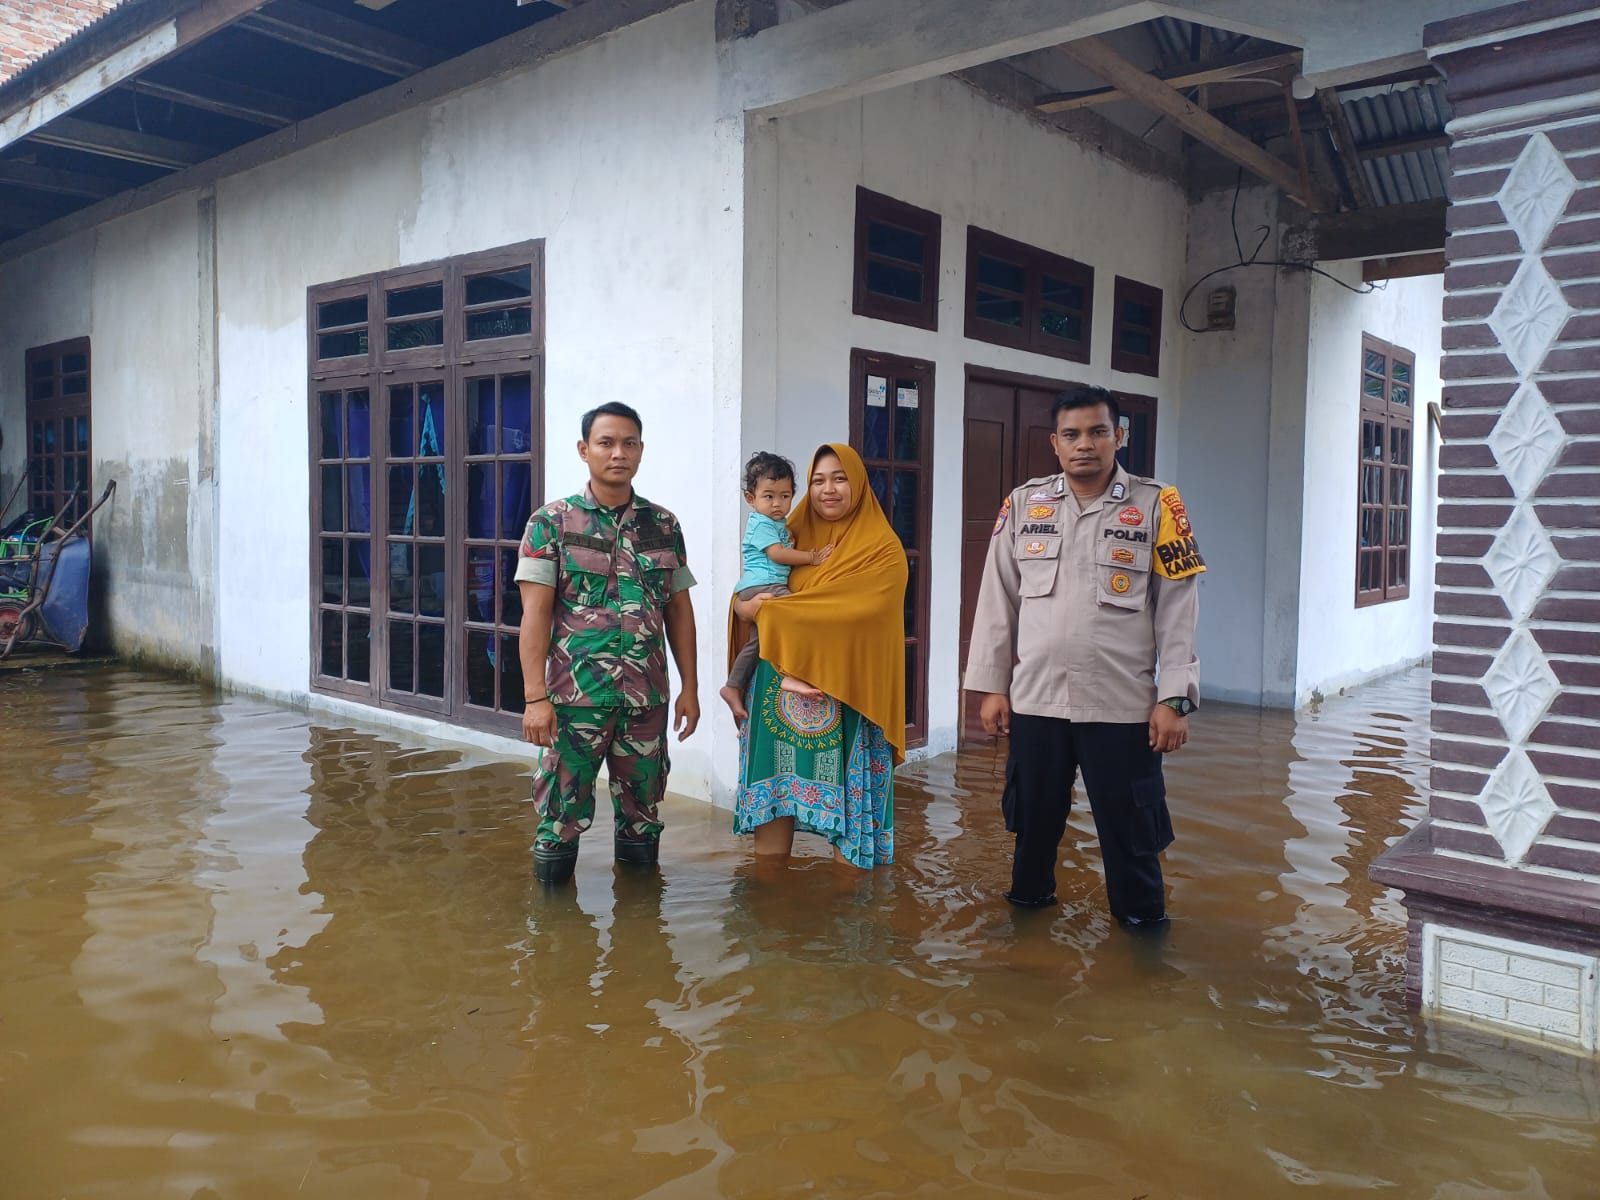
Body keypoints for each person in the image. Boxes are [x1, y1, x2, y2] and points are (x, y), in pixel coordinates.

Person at [964, 386, 1204, 928]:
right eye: (1071, 435)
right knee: (1032, 833)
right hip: (1037, 701)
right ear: (1054, 443)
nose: (1085, 445)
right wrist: (992, 686)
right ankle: (1026, 945)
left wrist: (1174, 698)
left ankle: (1144, 951)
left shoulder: (1159, 505)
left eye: (1098, 432)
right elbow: (996, 598)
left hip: (1121, 706)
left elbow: (1178, 608)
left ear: (1119, 436)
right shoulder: (1023, 504)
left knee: (1132, 840)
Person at [515, 401, 700, 885]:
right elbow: (533, 617)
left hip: (646, 700)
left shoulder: (664, 525)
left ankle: (641, 939)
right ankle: (554, 944)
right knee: (560, 820)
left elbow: (679, 611)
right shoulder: (550, 523)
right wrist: (535, 698)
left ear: (640, 450)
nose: (619, 453)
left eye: (629, 443)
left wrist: (690, 689)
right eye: (606, 442)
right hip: (574, 703)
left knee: (643, 816)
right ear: (584, 450)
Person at [729, 444, 905, 869]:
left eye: (840, 478)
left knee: (848, 817)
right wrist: (742, 605)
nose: (828, 489)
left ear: (859, 485)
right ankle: (769, 902)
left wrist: (769, 610)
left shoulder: (883, 549)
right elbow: (750, 587)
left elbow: (859, 611)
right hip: (777, 692)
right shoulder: (788, 531)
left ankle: (848, 917)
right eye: (819, 480)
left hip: (848, 690)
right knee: (775, 796)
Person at [718, 451, 833, 719]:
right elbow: (777, 554)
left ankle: (733, 686)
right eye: (768, 496)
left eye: (784, 496)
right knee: (798, 614)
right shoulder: (762, 524)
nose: (777, 503)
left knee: (757, 644)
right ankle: (790, 674)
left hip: (758, 586)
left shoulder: (778, 522)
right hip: (763, 585)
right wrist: (811, 558)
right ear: (751, 498)